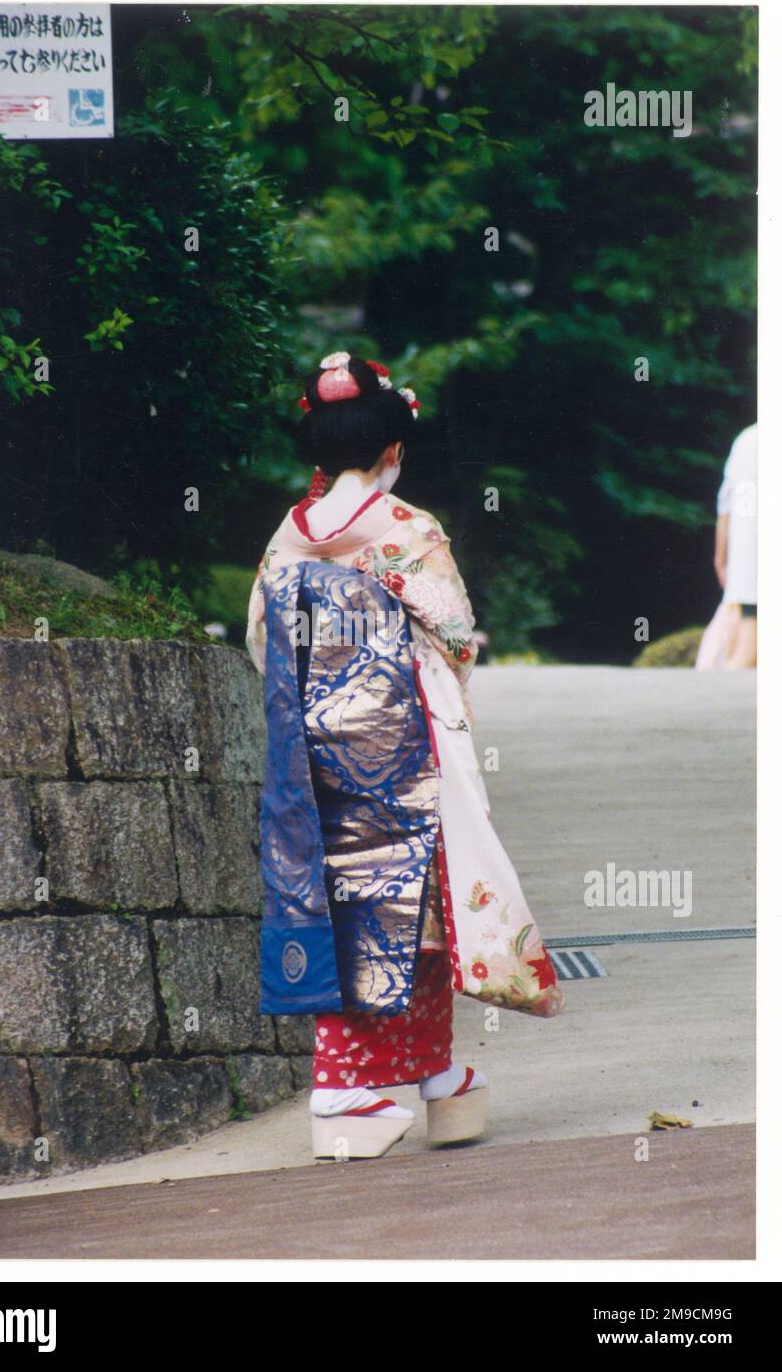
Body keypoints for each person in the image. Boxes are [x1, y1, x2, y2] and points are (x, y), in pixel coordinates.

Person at [246, 352, 563, 1160]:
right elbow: (455, 639)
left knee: (346, 898)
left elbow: (260, 643)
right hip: (405, 742)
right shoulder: (405, 530)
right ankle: (341, 1090)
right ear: (392, 449)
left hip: (314, 750)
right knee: (416, 900)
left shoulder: (288, 538)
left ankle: (436, 1076)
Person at [697, 423, 757, 670]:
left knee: (744, 643)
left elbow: (726, 508)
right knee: (748, 651)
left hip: (747, 566)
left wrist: (722, 559)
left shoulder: (747, 439)